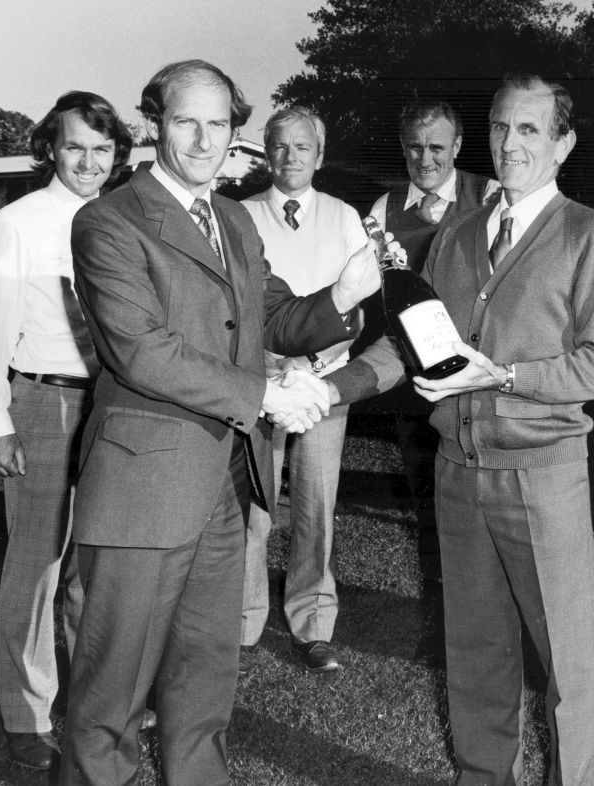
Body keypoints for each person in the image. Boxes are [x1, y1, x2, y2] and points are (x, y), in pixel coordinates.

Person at [58, 60, 381, 786]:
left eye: (220, 124)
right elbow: (143, 352)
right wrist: (265, 396)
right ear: (152, 125)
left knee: (204, 688)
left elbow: (273, 317)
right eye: (185, 122)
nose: (204, 140)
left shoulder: (233, 217)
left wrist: (345, 292)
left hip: (227, 488)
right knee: (110, 700)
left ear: (237, 134)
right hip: (146, 491)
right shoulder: (107, 222)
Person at [327, 74, 594, 785]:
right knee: (475, 653)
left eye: (529, 130)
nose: (510, 143)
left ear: (563, 143)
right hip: (458, 473)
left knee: (568, 664)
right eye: (500, 127)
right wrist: (329, 388)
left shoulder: (590, 234)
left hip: (542, 474)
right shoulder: (460, 233)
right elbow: (410, 340)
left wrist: (503, 377)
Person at [0, 91, 132, 770]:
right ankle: (27, 714)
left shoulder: (124, 217)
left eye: (102, 148)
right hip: (47, 403)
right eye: (75, 147)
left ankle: (93, 702)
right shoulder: (17, 222)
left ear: (118, 153)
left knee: (101, 565)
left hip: (118, 406)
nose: (89, 161)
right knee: (37, 568)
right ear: (50, 150)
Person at [368, 100, 498, 662]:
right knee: (431, 501)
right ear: (403, 149)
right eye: (415, 147)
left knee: (486, 501)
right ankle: (445, 623)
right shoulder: (384, 207)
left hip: (477, 378)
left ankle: (494, 626)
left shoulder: (491, 194)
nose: (425, 158)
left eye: (436, 147)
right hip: (413, 382)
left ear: (458, 146)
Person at [239, 106, 367, 673]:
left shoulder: (344, 218)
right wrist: (273, 370)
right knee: (251, 509)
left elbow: (358, 305)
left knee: (316, 505)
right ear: (266, 151)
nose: (291, 157)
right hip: (257, 385)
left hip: (320, 386)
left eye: (303, 147)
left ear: (321, 155)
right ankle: (239, 625)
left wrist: (309, 369)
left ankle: (313, 623)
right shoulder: (238, 216)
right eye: (280, 146)